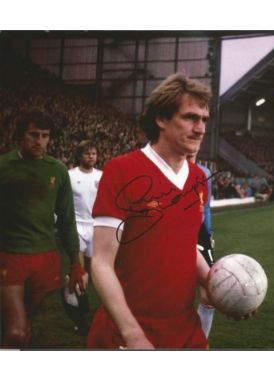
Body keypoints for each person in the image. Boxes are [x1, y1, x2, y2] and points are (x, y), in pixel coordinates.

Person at [87, 73, 214, 349]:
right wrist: (132, 333)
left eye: (204, 120)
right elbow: (101, 262)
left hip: (185, 330)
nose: (201, 128)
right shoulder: (122, 170)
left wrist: (216, 284)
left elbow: (186, 245)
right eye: (191, 117)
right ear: (162, 119)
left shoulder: (198, 179)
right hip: (127, 332)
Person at [0, 110, 87, 349]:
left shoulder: (57, 170)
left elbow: (67, 221)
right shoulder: (4, 166)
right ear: (21, 136)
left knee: (25, 327)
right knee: (16, 330)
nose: (39, 141)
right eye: (33, 135)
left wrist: (75, 263)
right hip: (10, 255)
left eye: (45, 136)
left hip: (46, 257)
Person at [67, 140, 102, 334]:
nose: (91, 156)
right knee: (79, 272)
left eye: (94, 153)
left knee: (92, 272)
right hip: (77, 226)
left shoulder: (102, 176)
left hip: (95, 227)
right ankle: (83, 317)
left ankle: (88, 311)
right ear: (80, 155)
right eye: (87, 153)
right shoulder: (70, 175)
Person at [188, 154, 216, 338]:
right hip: (172, 232)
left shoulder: (204, 172)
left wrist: (209, 231)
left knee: (210, 291)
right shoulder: (166, 171)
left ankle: (201, 341)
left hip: (200, 233)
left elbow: (205, 206)